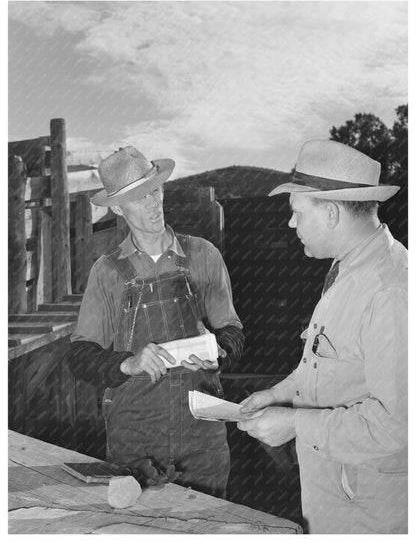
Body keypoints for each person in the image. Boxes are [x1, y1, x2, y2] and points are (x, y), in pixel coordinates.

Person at [237, 139, 407, 533]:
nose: (291, 223)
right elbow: (329, 363)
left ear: (331, 213)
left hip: (369, 514)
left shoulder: (391, 290)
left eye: (297, 213)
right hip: (336, 497)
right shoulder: (348, 270)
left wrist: (295, 424)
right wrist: (278, 394)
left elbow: (397, 424)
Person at [66, 146, 244, 498]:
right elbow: (80, 356)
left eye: (155, 191)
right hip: (135, 442)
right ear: (117, 207)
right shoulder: (107, 272)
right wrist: (127, 363)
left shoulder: (203, 255)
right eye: (138, 198)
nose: (153, 203)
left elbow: (234, 333)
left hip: (202, 437)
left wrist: (219, 350)